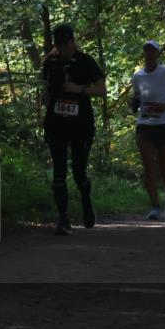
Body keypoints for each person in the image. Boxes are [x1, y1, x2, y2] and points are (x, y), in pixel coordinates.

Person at [41, 24, 107, 234]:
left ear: (72, 42)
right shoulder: (50, 63)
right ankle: (63, 220)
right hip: (56, 123)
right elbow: (46, 87)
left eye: (66, 44)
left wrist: (79, 89)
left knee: (79, 171)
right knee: (59, 172)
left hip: (81, 124)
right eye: (59, 45)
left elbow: (102, 89)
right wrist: (47, 101)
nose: (63, 49)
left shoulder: (86, 61)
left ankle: (86, 200)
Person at [130, 40, 165, 220]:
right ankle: (155, 206)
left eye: (152, 51)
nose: (149, 54)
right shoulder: (137, 76)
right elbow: (137, 98)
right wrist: (133, 104)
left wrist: (164, 106)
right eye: (146, 51)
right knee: (148, 166)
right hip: (145, 125)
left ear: (158, 54)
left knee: (164, 166)